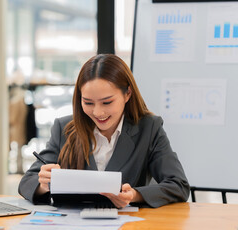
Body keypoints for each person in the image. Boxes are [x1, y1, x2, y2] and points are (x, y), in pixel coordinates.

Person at [18, 54, 190, 208]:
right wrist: (43, 184)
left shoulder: (149, 128)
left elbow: (178, 185)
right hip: (73, 229)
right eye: (88, 103)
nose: (98, 113)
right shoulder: (64, 128)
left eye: (107, 102)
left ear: (127, 94)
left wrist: (134, 195)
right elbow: (27, 182)